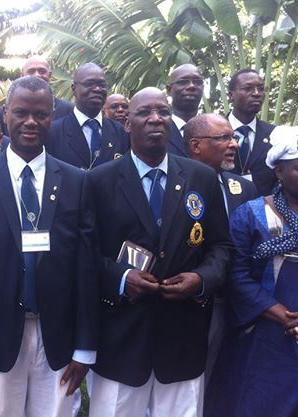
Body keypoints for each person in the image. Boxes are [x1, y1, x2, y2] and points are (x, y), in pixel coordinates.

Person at [87, 87, 231, 417]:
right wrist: (121, 277)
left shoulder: (202, 177)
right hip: (121, 337)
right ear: (127, 123)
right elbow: (85, 252)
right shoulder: (98, 181)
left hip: (183, 336)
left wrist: (201, 279)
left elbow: (221, 246)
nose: (155, 119)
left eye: (163, 112)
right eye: (144, 112)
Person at [0, 76, 98, 417]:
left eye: (41, 114)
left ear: (52, 116)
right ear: (5, 114)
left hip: (58, 333)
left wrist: (85, 347)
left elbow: (85, 267)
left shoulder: (77, 181)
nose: (30, 122)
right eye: (21, 113)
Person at [205, 126, 298, 417]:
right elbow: (237, 275)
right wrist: (283, 315)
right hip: (264, 331)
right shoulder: (251, 213)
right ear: (279, 172)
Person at [183, 113, 258, 386]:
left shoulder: (244, 188)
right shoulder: (177, 185)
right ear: (196, 145)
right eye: (223, 138)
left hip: (238, 299)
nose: (233, 144)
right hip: (192, 299)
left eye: (233, 137)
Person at [47, 63, 129, 170]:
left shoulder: (121, 132)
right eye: (89, 84)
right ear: (74, 89)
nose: (97, 89)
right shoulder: (53, 132)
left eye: (102, 85)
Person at [227, 68, 277, 196]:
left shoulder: (275, 135)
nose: (256, 93)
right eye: (248, 88)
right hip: (223, 206)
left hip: (264, 205)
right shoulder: (212, 133)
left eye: (261, 89)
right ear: (231, 95)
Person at [0, 56, 74, 135]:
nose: (37, 75)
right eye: (31, 71)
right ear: (22, 75)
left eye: (42, 71)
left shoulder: (68, 110)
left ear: (50, 75)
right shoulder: (5, 112)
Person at [165, 64, 204, 157]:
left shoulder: (214, 131)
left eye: (197, 82)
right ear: (169, 90)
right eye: (183, 82)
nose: (191, 86)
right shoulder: (160, 130)